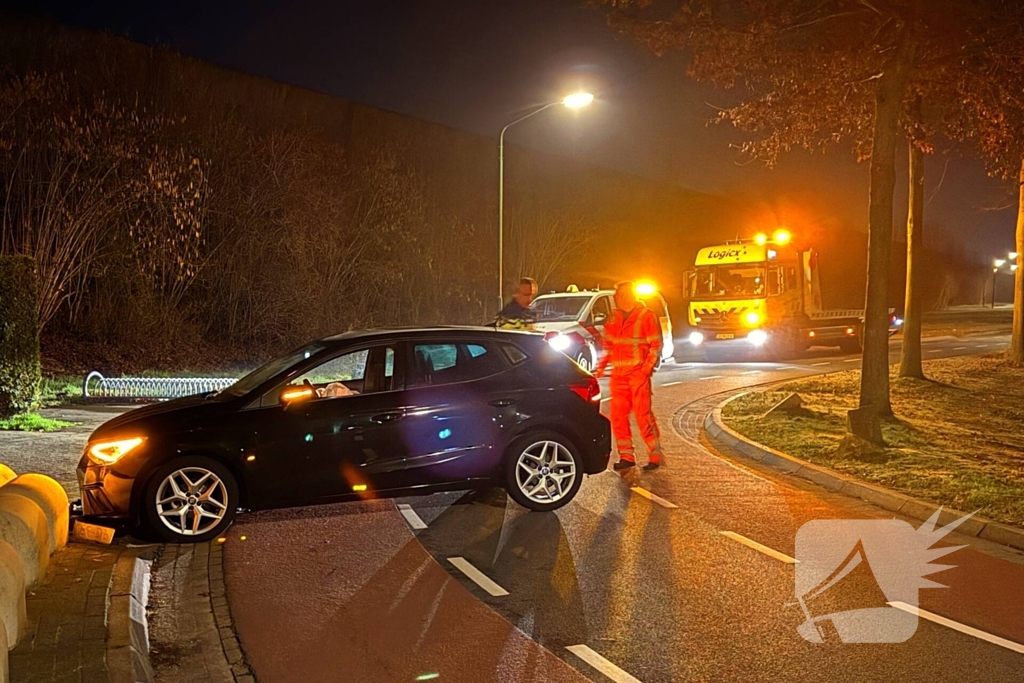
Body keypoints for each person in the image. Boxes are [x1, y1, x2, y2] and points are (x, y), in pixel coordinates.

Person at [594, 281, 664, 472]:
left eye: (618, 295)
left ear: (628, 296)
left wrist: (645, 370)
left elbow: (655, 347)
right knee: (618, 417)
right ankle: (626, 456)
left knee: (643, 416)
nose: (615, 298)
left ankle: (655, 456)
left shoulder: (646, 316)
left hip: (637, 375)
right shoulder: (614, 318)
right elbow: (610, 347)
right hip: (619, 376)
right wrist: (600, 368)